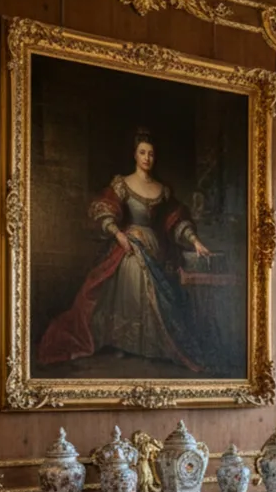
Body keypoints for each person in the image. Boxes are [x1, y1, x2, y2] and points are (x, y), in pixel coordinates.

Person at [37, 128, 211, 372]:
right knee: (131, 275)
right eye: (142, 152)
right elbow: (105, 209)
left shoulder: (162, 190)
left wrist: (194, 241)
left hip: (156, 250)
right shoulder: (122, 184)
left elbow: (174, 220)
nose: (147, 158)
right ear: (135, 155)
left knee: (161, 300)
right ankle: (123, 343)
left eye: (151, 154)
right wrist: (119, 235)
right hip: (129, 247)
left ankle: (150, 347)